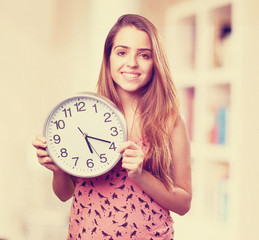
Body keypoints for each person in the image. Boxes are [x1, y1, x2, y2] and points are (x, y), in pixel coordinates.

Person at [32, 14, 192, 240]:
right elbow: (64, 194)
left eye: (144, 55)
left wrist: (141, 175)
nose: (132, 63)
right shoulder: (83, 113)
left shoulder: (169, 120)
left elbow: (184, 203)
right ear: (108, 58)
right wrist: (57, 168)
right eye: (122, 52)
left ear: (155, 61)